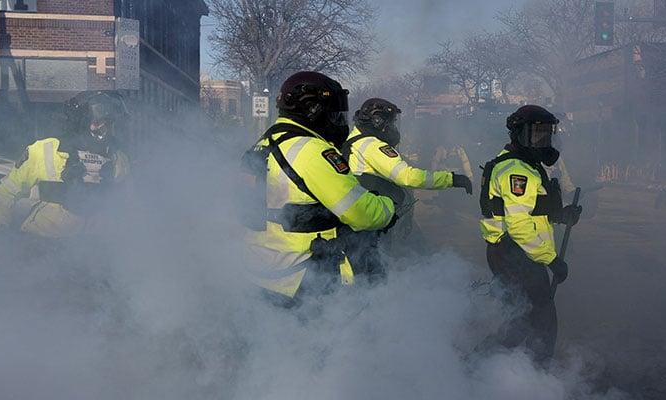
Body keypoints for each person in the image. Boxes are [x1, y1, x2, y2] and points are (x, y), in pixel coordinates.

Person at [240, 72, 396, 307]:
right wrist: (388, 206)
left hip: (259, 271)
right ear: (313, 110)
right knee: (327, 339)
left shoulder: (263, 144)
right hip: (301, 279)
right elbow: (361, 213)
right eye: (334, 112)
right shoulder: (312, 151)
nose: (338, 119)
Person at [477, 104, 582, 364]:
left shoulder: (526, 165)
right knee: (542, 316)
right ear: (519, 135)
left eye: (547, 134)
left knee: (522, 317)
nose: (544, 140)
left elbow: (532, 212)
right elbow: (520, 226)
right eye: (537, 134)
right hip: (515, 254)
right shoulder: (516, 170)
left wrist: (561, 215)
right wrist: (551, 259)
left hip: (516, 253)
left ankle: (484, 363)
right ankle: (536, 370)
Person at [338, 98, 473, 280]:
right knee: (412, 265)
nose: (393, 127)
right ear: (378, 121)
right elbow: (407, 176)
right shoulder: (372, 145)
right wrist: (451, 179)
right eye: (391, 122)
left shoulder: (353, 141)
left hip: (369, 221)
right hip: (383, 224)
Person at [0, 90, 130, 238]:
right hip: (41, 243)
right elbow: (6, 193)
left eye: (109, 123)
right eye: (98, 122)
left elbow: (126, 206)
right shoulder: (45, 151)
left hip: (91, 249)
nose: (105, 129)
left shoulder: (117, 159)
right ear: (81, 120)